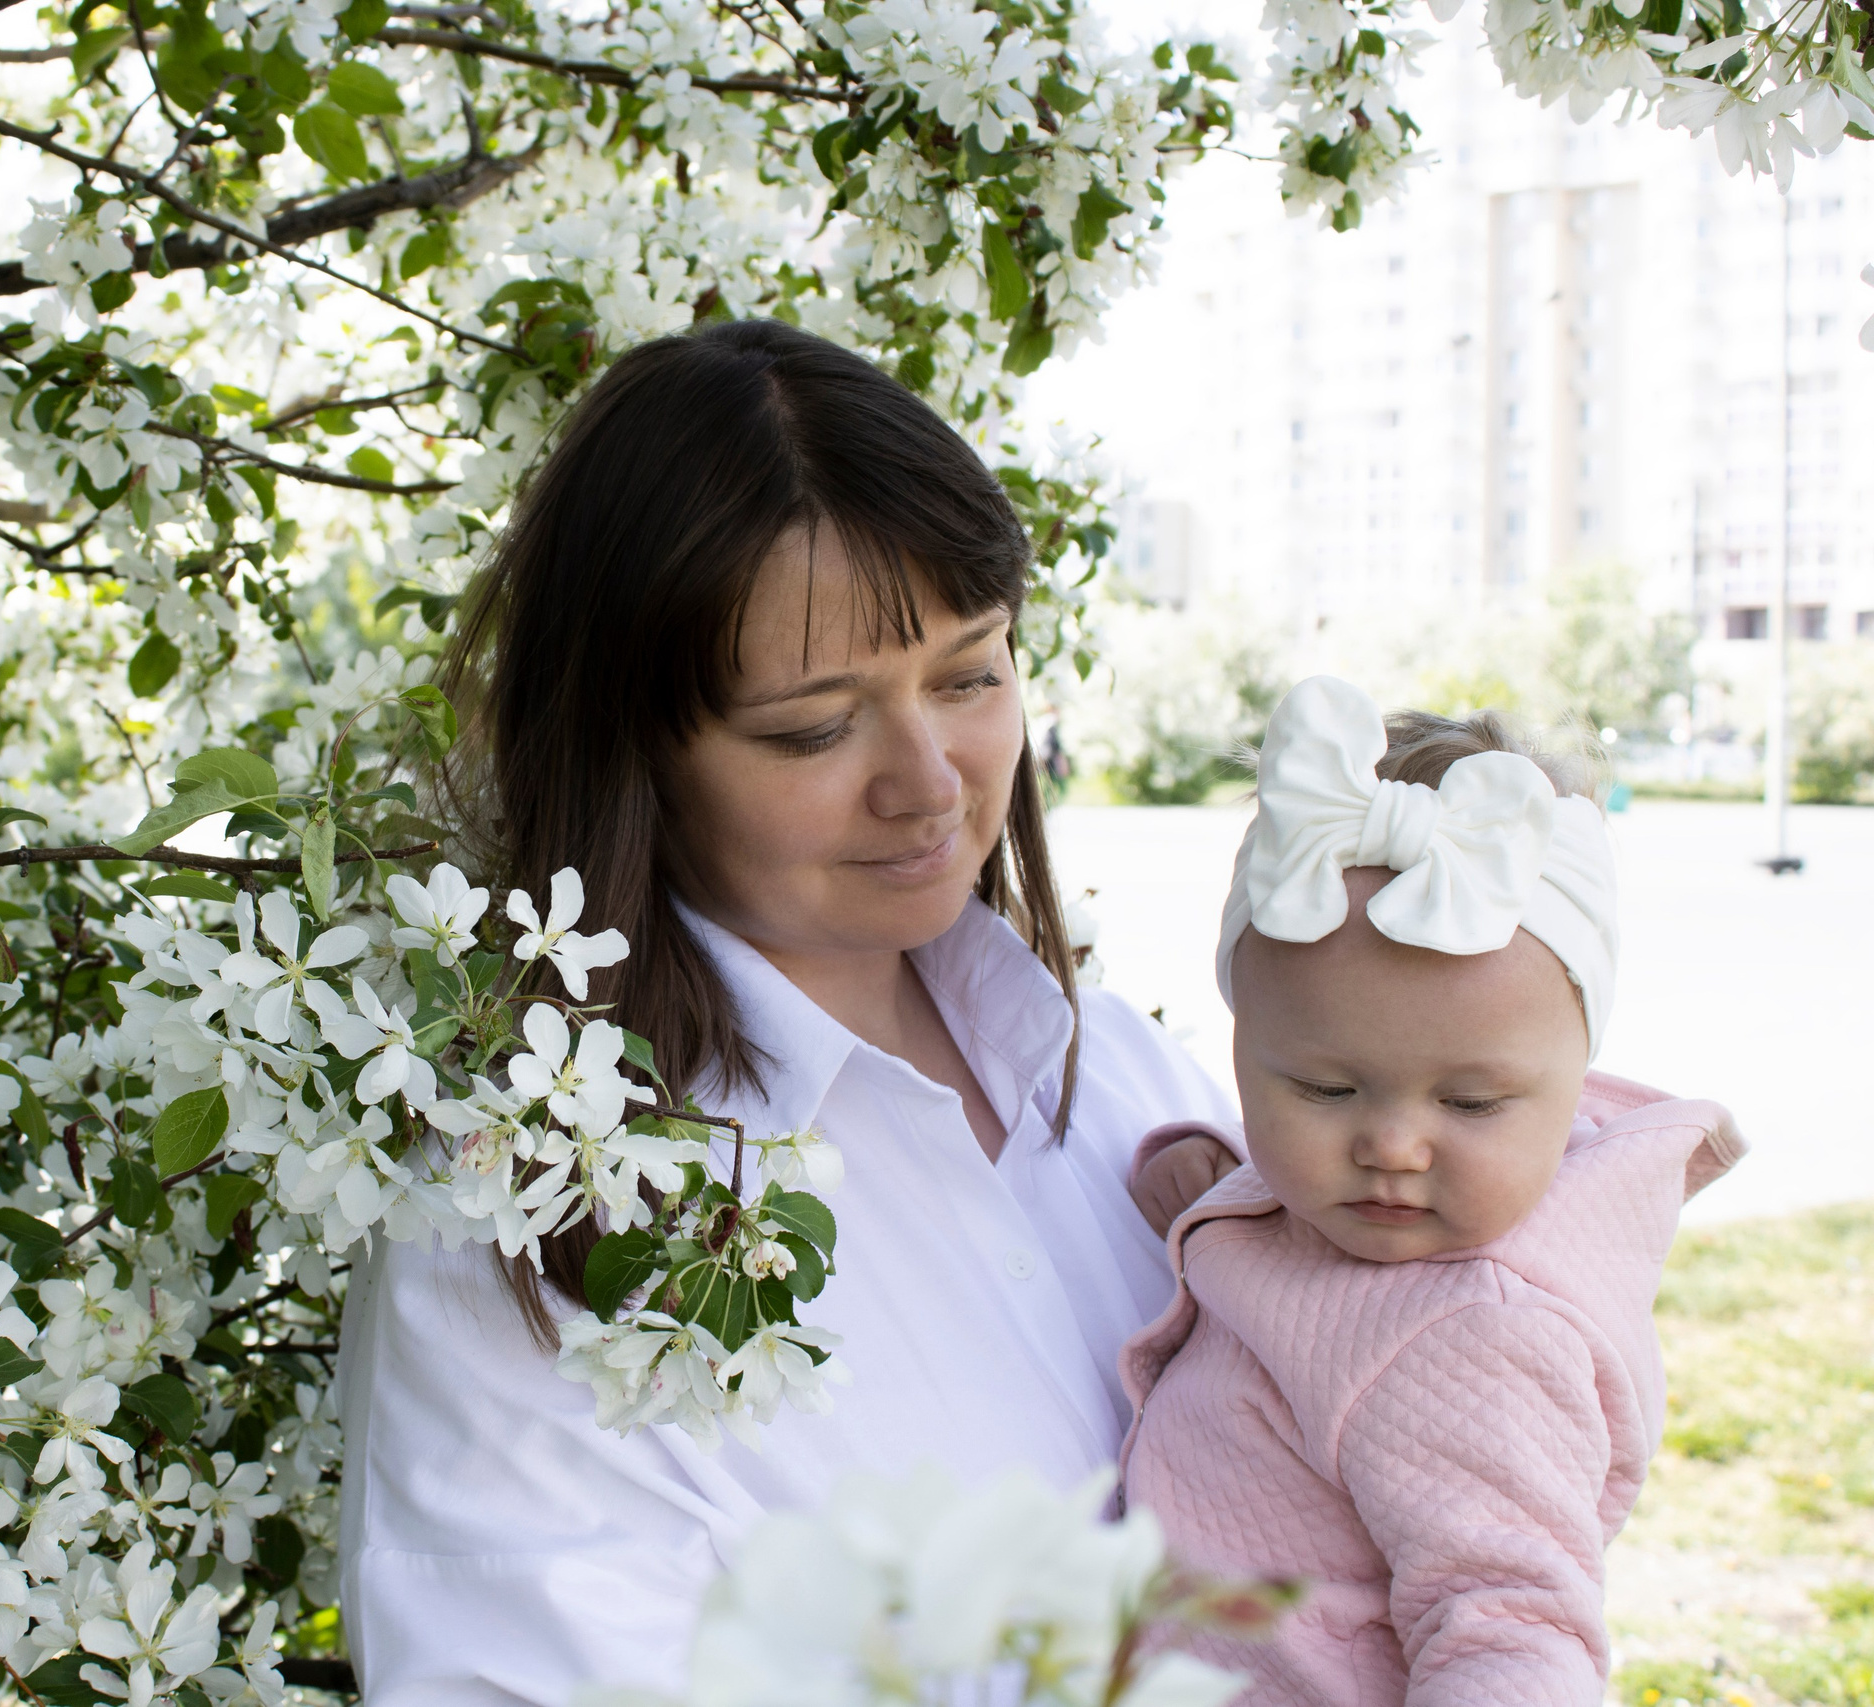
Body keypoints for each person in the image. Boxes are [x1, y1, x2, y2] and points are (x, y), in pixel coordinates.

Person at [335, 319, 1243, 1699]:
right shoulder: (528, 1229)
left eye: (970, 674)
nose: (929, 783)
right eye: (814, 728)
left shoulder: (1126, 1076)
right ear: (632, 753)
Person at [1117, 676, 1745, 1706]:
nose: (1393, 1147)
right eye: (1324, 1089)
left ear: (1574, 1080)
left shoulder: (1478, 1338)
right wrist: (1207, 1161)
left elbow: (1514, 1633)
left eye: (1470, 1103)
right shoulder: (1341, 1213)